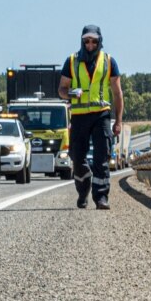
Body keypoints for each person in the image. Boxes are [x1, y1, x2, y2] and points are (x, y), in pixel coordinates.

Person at [58, 25, 123, 210]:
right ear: (82, 40)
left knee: (101, 156)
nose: (90, 44)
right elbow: (61, 90)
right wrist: (70, 93)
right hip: (78, 116)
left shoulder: (109, 62)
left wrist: (118, 121)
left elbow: (118, 94)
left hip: (101, 115)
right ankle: (83, 189)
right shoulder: (71, 61)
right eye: (86, 40)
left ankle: (101, 196)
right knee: (77, 158)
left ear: (99, 41)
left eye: (94, 41)